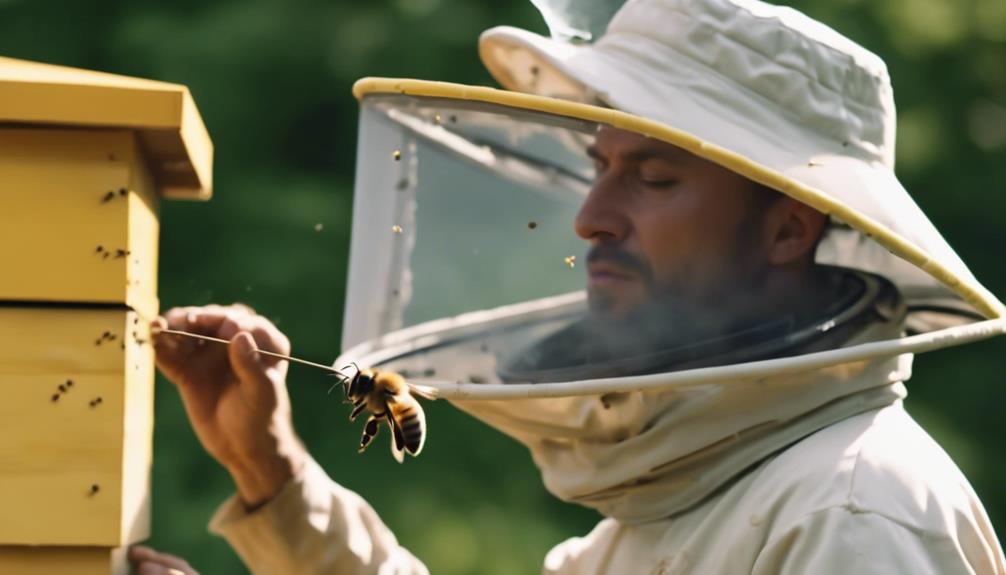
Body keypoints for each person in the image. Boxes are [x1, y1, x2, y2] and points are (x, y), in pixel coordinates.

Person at [132, 0, 1006, 573]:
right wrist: (273, 470)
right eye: (599, 168)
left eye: (653, 178)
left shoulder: (851, 516)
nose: (590, 215)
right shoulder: (677, 497)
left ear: (789, 225)